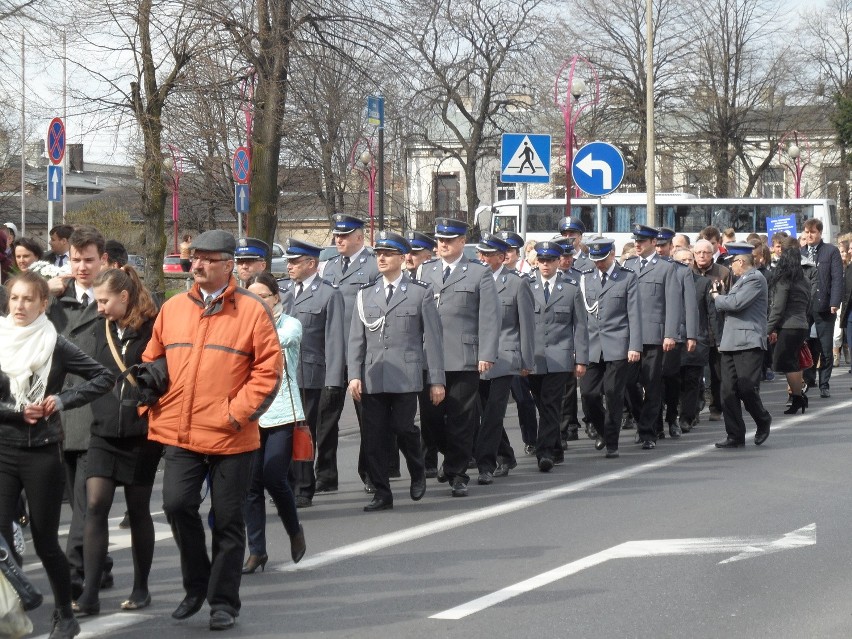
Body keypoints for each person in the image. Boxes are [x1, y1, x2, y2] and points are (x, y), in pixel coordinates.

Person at [142, 229, 282, 631]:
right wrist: (147, 386)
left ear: (227, 265)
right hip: (181, 431)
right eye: (193, 258)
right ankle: (196, 584)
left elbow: (268, 371)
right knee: (176, 505)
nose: (196, 265)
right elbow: (155, 357)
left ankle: (223, 602)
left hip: (232, 435)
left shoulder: (252, 311)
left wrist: (234, 414)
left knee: (227, 520)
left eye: (206, 259)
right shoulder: (172, 308)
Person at [0, 271, 114, 639]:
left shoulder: (55, 345)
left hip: (42, 451)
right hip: (2, 448)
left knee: (46, 539)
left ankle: (65, 614)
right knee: (1, 533)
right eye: (14, 298)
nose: (19, 306)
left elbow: (103, 377)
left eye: (27, 299)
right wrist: (18, 413)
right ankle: (17, 600)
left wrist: (62, 400)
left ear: (42, 304)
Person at [71, 267, 162, 616]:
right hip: (103, 431)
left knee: (138, 510)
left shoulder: (154, 328)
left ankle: (141, 588)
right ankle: (90, 593)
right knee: (95, 505)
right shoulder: (101, 327)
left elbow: (165, 371)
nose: (100, 308)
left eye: (105, 301)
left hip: (141, 435)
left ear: (124, 297)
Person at [347, 231, 445, 511]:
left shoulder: (420, 292)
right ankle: (382, 491)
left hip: (406, 374)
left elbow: (434, 340)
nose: (381, 258)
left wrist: (436, 380)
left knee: (404, 428)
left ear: (402, 258)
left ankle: (417, 470)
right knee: (374, 435)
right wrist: (354, 374)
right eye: (378, 253)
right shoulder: (366, 294)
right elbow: (357, 338)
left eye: (387, 254)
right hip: (373, 374)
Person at [45, 226, 114, 600]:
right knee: (77, 500)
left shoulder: (112, 298)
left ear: (103, 260)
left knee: (88, 502)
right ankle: (98, 563)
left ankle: (75, 573)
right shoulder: (53, 300)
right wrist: (46, 290)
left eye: (89, 259)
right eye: (75, 259)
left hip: (97, 413)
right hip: (58, 412)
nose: (82, 266)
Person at [418, 217, 499, 497]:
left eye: (449, 240)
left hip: (464, 355)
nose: (442, 244)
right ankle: (452, 455)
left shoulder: (479, 273)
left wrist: (486, 353)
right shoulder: (425, 271)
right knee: (430, 419)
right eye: (440, 240)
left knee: (462, 418)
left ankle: (458, 473)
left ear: (462, 242)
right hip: (430, 357)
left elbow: (489, 316)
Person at [242, 272, 306, 573]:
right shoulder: (241, 327)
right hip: (251, 415)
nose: (257, 302)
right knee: (251, 485)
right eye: (251, 297)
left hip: (282, 413)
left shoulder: (289, 324)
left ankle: (294, 529)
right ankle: (257, 550)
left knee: (273, 476)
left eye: (263, 297)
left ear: (276, 297)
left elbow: (280, 340)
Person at [280, 239, 345, 508]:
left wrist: (333, 381)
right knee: (282, 432)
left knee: (304, 433)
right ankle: (286, 484)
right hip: (280, 374)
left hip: (310, 375)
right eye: (288, 261)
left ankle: (304, 488)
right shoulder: (282, 290)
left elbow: (334, 341)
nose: (289, 266)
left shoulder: (328, 294)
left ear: (311, 264)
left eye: (295, 262)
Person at [315, 214, 377, 493]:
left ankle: (370, 474)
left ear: (359, 237)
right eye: (337, 235)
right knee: (325, 419)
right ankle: (325, 475)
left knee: (368, 419)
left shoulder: (374, 265)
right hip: (332, 353)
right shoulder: (328, 268)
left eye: (345, 235)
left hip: (361, 354)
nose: (338, 239)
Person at [473, 233, 534, 484]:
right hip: (478, 355)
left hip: (506, 355)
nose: (483, 258)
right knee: (482, 410)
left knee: (494, 412)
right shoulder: (475, 279)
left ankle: (486, 463)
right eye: (481, 254)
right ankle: (506, 454)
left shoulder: (517, 283)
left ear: (501, 257)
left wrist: (527, 361)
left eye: (488, 254)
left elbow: (526, 325)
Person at [577, 238, 642, 458]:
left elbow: (634, 314)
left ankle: (612, 441)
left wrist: (634, 346)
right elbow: (581, 317)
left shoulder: (627, 278)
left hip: (617, 344)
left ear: (612, 254)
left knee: (614, 393)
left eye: (603, 259)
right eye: (596, 260)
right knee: (588, 394)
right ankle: (603, 430)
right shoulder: (586, 279)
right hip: (593, 345)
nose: (599, 264)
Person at [527, 241, 588, 467]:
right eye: (541, 260)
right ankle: (556, 446)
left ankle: (544, 453)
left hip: (560, 357)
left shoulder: (570, 288)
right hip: (534, 357)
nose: (545, 265)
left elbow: (580, 326)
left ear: (557, 262)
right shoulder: (527, 286)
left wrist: (580, 358)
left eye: (550, 260)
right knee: (542, 405)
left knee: (551, 403)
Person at [622, 224, 682, 449]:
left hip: (653, 336)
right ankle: (642, 420)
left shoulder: (666, 268)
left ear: (653, 243)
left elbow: (673, 304)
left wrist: (670, 334)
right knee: (628, 383)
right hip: (629, 336)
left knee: (652, 384)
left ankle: (648, 432)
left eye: (642, 241)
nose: (637, 245)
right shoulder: (628, 266)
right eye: (636, 241)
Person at [711, 242, 772, 448]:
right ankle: (735, 434)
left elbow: (735, 304)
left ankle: (762, 419)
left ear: (740, 261)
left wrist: (717, 297)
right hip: (730, 342)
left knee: (747, 388)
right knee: (727, 391)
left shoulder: (755, 278)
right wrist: (723, 296)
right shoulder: (740, 280)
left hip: (748, 341)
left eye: (732, 263)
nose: (731, 267)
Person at [671, 247, 716, 432]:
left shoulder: (703, 283)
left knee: (692, 380)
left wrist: (715, 338)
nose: (687, 263)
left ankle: (687, 418)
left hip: (697, 340)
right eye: (682, 260)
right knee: (675, 381)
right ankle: (675, 413)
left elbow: (711, 312)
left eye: (689, 260)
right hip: (674, 340)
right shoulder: (669, 282)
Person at [767, 237, 811, 415]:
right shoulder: (804, 279)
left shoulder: (784, 279)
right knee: (794, 362)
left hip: (788, 326)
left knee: (788, 363)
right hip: (801, 324)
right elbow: (808, 305)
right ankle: (798, 397)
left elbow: (778, 308)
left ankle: (798, 397)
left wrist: (767, 328)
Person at [800, 218, 843, 398]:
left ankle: (824, 382)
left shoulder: (830, 252)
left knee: (825, 347)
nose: (810, 235)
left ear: (820, 233)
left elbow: (837, 279)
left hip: (824, 305)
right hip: (803, 307)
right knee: (806, 344)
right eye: (807, 232)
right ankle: (808, 379)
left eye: (813, 232)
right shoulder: (800, 252)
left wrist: (834, 302)